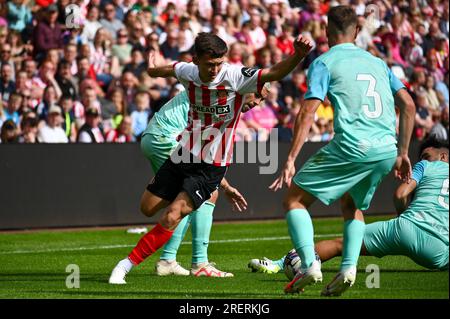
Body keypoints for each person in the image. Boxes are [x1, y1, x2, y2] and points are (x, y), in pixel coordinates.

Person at [109, 32, 312, 284]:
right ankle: (178, 252)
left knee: (173, 214)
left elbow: (273, 73)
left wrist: (298, 55)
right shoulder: (188, 72)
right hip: (183, 152)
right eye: (210, 64)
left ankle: (127, 265)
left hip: (211, 166)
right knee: (147, 207)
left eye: (219, 63)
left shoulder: (236, 76)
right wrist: (151, 69)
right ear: (196, 61)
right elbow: (165, 70)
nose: (216, 69)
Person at [269, 6, 416, 297]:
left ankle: (309, 265)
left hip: (352, 146)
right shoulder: (378, 63)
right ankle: (348, 269)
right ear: (357, 32)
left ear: (326, 31)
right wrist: (403, 152)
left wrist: (289, 160)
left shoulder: (324, 62)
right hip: (385, 149)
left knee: (294, 200)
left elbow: (308, 111)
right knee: (353, 207)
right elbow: (409, 105)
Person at [249, 137, 449, 274]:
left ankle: (278, 264)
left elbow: (400, 194)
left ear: (443, 157)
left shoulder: (427, 166)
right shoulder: (434, 163)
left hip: (405, 227)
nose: (422, 159)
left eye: (426, 156)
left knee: (341, 244)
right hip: (439, 249)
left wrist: (404, 216)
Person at [140, 84, 271, 278]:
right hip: (166, 137)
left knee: (186, 197)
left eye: (263, 100)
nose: (257, 103)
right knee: (205, 194)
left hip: (157, 135)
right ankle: (196, 263)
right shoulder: (224, 97)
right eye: (257, 96)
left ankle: (169, 260)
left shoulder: (225, 94)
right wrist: (224, 186)